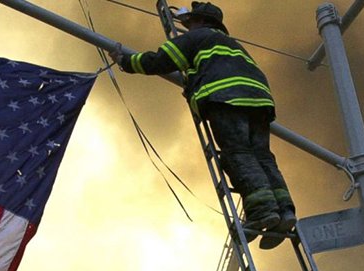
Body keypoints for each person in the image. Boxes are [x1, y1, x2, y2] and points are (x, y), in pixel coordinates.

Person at [110, 2, 296, 249]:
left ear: (199, 22)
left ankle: (262, 211)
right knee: (262, 156)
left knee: (238, 154)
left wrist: (126, 61)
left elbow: (160, 61)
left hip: (226, 98)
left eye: (191, 22)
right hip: (259, 101)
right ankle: (285, 212)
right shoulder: (233, 45)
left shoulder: (198, 38)